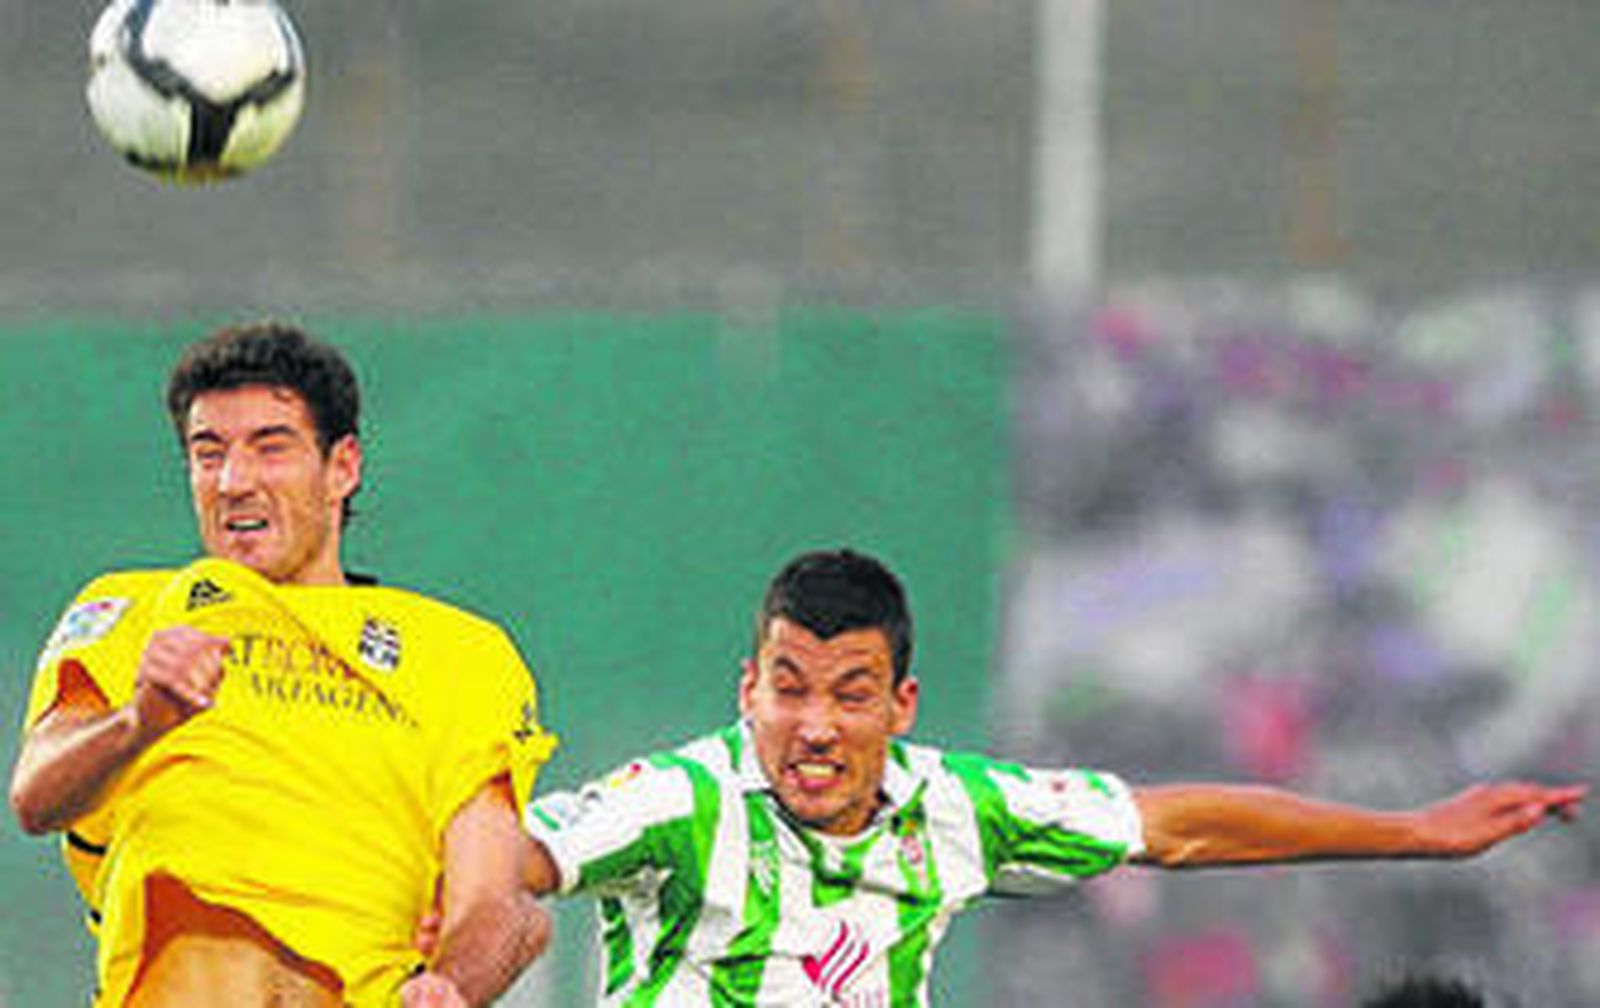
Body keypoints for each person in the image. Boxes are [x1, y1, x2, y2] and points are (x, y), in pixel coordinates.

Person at [494, 547, 1580, 1006]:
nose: (813, 726)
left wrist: (1413, 830)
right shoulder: (681, 804)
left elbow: (1174, 827)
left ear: (900, 708)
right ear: (747, 690)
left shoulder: (951, 808)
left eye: (849, 692)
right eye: (788, 687)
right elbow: (504, 860)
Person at [9, 322, 557, 1007]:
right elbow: (36, 797)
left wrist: (450, 987)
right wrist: (141, 721)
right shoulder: (133, 608)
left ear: (342, 467)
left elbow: (493, 903)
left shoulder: (461, 654)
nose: (234, 482)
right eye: (209, 454)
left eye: (271, 448)